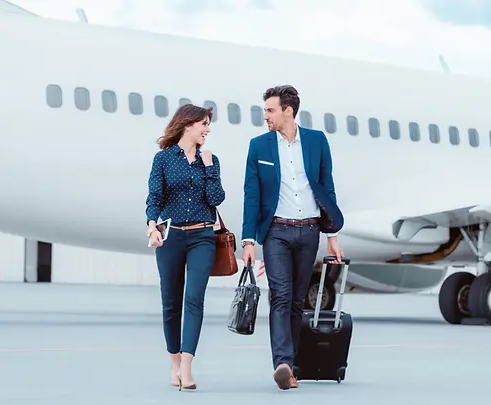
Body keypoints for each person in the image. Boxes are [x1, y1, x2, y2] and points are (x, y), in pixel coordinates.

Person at [241, 85, 345, 390]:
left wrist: (332, 235)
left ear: (289, 111)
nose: (266, 116)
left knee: (298, 300)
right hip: (276, 232)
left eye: (271, 110)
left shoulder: (316, 141)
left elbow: (327, 187)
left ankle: (292, 364)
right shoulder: (258, 146)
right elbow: (251, 194)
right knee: (281, 296)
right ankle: (283, 363)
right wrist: (248, 240)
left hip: (310, 229)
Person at [145, 103, 226, 391]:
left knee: (194, 298)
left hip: (203, 236)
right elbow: (154, 195)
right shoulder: (164, 159)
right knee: (171, 302)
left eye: (208, 125)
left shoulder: (210, 159)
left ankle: (188, 365)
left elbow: (216, 198)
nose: (207, 130)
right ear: (188, 125)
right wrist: (151, 225)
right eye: (203, 124)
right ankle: (175, 361)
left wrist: (208, 168)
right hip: (171, 237)